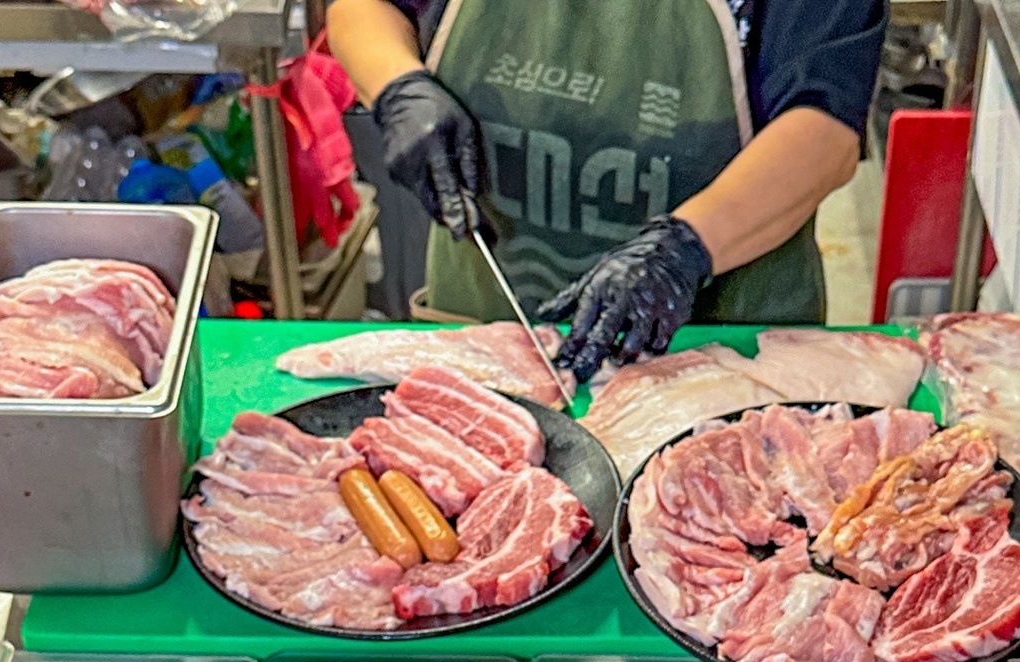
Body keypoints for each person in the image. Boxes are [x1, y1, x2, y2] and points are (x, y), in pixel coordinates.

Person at [328, 0, 887, 379]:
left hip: (715, 359)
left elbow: (825, 131)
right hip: (494, 333)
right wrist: (398, 84)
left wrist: (684, 250)